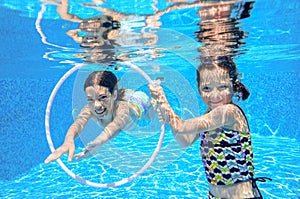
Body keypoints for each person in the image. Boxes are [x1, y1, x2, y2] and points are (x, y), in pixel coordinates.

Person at [149, 56, 271, 199]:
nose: (215, 95)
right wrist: (166, 113)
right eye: (207, 88)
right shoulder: (209, 114)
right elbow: (185, 140)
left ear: (234, 86)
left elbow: (181, 126)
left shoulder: (229, 112)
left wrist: (162, 100)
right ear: (199, 89)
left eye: (223, 87)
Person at [45, 70, 155, 163]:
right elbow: (78, 124)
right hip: (121, 98)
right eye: (90, 99)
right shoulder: (90, 108)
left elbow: (116, 126)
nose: (96, 105)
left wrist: (98, 142)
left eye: (102, 97)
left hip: (140, 102)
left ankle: (154, 102)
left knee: (150, 117)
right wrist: (68, 140)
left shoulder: (122, 109)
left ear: (114, 95)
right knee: (81, 114)